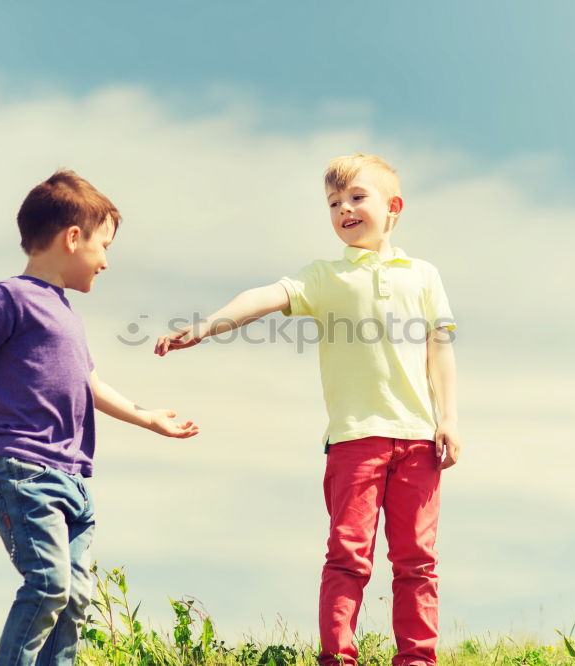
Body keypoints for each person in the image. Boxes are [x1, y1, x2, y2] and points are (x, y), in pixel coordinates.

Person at [155, 153, 459, 666]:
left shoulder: (424, 276)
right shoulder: (324, 276)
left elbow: (440, 349)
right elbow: (266, 297)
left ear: (393, 207)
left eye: (357, 198)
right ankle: (337, 658)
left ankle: (417, 659)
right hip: (354, 439)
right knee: (348, 557)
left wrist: (448, 418)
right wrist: (208, 324)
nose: (344, 209)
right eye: (334, 203)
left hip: (417, 439)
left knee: (416, 561)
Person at [0, 169, 199, 666]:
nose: (106, 262)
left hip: (75, 479)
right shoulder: (11, 297)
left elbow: (93, 386)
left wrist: (148, 418)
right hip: (22, 472)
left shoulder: (67, 314)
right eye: (104, 246)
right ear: (73, 238)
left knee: (76, 598)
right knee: (48, 586)